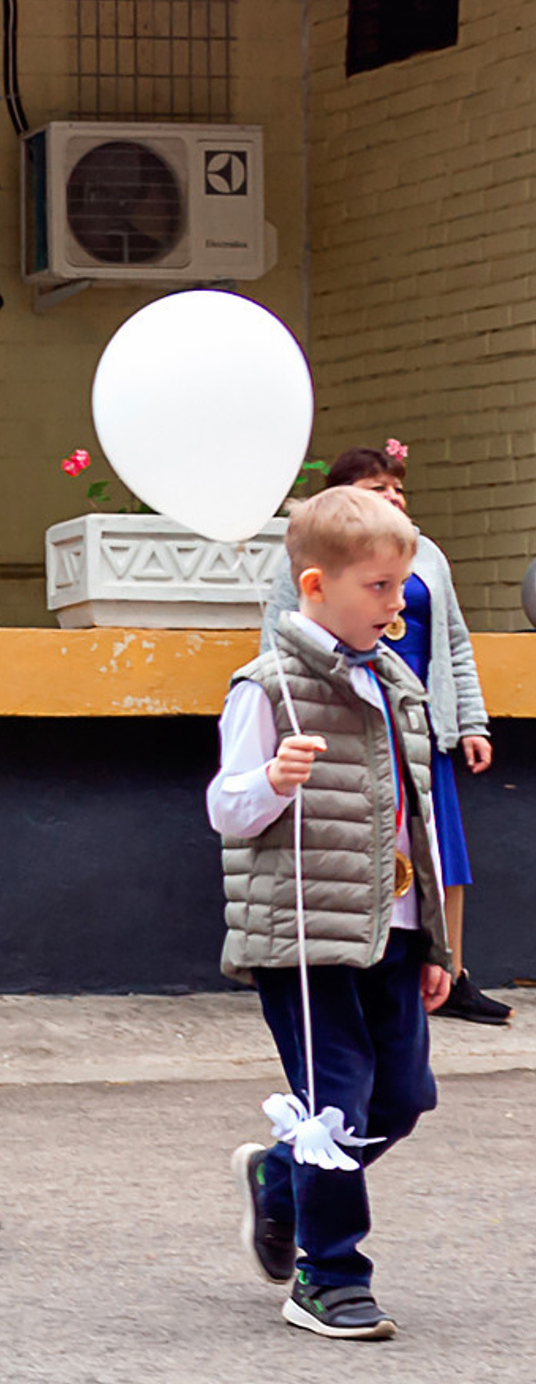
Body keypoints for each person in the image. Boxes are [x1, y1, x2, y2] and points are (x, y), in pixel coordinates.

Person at [217, 485, 450, 1340]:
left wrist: (434, 937)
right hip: (304, 933)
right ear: (316, 585)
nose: (397, 603)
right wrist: (270, 784)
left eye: (400, 586)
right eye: (379, 587)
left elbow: (412, 817)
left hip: (386, 926)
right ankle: (329, 1275)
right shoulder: (268, 685)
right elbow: (226, 808)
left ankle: (282, 1180)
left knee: (404, 1097)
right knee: (336, 1100)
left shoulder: (394, 681)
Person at [263, 442, 503, 1024]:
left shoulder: (428, 556)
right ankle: (358, 963)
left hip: (420, 721)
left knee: (441, 851)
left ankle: (450, 969)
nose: (394, 497)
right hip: (349, 717)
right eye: (378, 489)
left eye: (398, 488)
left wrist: (470, 720)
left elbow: (455, 644)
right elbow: (279, 633)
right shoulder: (303, 559)